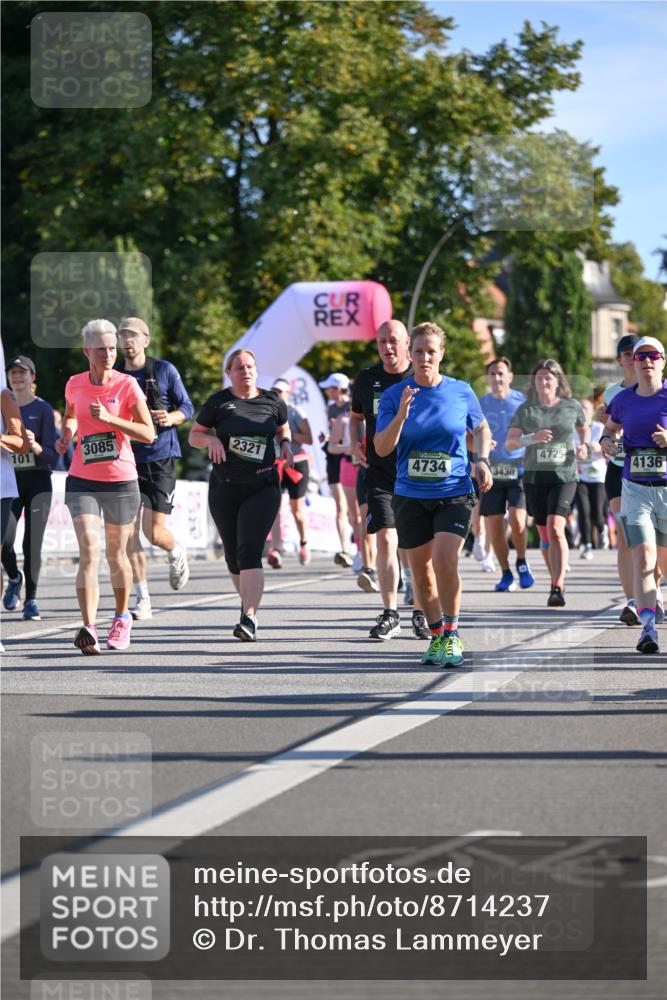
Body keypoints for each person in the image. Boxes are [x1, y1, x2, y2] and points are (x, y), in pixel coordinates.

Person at [375, 322, 492, 667]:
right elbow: (381, 448)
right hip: (410, 494)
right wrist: (400, 416)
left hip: (454, 490)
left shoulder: (460, 391)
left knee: (444, 559)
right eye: (419, 351)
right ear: (409, 353)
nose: (425, 358)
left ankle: (453, 634)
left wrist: (482, 460)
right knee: (422, 574)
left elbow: (481, 427)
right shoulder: (395, 395)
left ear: (441, 354)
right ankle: (437, 634)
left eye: (431, 351)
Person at [56, 320, 154, 654]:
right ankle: (88, 628)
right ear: (87, 351)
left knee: (116, 553)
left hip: (120, 480)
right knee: (88, 550)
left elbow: (148, 433)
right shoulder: (74, 383)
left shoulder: (127, 385)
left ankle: (122, 617)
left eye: (112, 348)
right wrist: (67, 433)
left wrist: (111, 420)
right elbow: (71, 413)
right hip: (82, 477)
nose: (109, 354)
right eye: (101, 349)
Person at [188, 348, 293, 641]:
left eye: (249, 366)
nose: (245, 371)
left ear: (256, 370)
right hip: (225, 486)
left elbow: (282, 428)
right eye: (238, 367)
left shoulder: (273, 401)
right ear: (229, 373)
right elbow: (194, 435)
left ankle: (249, 616)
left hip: (262, 485)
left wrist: (286, 444)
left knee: (249, 551)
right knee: (233, 557)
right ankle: (247, 603)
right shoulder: (219, 402)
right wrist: (210, 440)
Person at [350, 319, 431, 641]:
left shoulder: (421, 376)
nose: (387, 347)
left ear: (407, 343)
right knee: (385, 538)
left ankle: (421, 613)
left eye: (393, 340)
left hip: (416, 472)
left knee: (416, 546)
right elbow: (356, 417)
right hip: (380, 471)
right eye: (382, 341)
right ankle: (390, 613)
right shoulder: (366, 379)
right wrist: (354, 441)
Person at [117, 317, 194, 620]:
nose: (127, 341)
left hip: (160, 457)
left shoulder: (164, 370)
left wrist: (171, 418)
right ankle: (143, 599)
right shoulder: (115, 375)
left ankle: (175, 551)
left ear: (146, 340)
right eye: (122, 335)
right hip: (126, 459)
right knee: (128, 533)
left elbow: (187, 407)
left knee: (153, 532)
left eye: (133, 335)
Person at [601, 336, 667, 653]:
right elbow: (609, 429)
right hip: (634, 489)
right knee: (643, 557)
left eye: (653, 355)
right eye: (641, 356)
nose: (646, 361)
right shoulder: (623, 400)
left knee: (663, 563)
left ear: (662, 361)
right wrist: (606, 442)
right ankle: (648, 629)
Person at [506, 359, 589, 608]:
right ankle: (554, 576)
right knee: (544, 533)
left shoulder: (571, 406)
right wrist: (532, 438)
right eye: (540, 377)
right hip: (535, 478)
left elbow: (583, 430)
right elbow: (510, 443)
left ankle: (557, 585)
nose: (544, 381)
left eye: (549, 377)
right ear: (534, 382)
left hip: (564, 476)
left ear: (558, 380)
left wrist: (584, 446)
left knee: (555, 527)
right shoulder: (526, 409)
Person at [1, 355, 57, 620]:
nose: (17, 377)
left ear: (32, 377)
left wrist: (33, 445)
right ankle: (14, 578)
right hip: (10, 481)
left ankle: (31, 600)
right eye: (12, 373)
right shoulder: (3, 403)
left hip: (38, 481)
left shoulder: (43, 409)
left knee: (32, 543)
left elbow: (52, 455)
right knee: (4, 541)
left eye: (22, 373)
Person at [478, 357, 533, 592]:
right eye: (492, 374)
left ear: (510, 377)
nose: (497, 378)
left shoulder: (522, 402)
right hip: (492, 472)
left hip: (518, 468)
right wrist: (480, 447)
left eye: (501, 373)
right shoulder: (481, 404)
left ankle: (521, 560)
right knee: (494, 526)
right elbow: (471, 433)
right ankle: (506, 572)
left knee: (518, 521)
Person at [266, 377, 313, 567]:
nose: (276, 395)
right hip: (275, 463)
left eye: (280, 392)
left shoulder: (296, 412)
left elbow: (309, 438)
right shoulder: (267, 413)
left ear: (288, 393)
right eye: (274, 392)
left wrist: (285, 433)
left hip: (296, 464)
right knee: (274, 507)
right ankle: (276, 548)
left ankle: (304, 543)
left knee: (297, 510)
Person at [318, 373, 355, 567]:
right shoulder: (330, 408)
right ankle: (345, 549)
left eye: (329, 388)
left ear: (338, 389)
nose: (326, 391)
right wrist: (327, 437)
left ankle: (360, 545)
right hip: (334, 457)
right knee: (340, 506)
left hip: (350, 458)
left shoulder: (353, 405)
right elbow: (334, 436)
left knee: (354, 508)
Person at [575, 398, 607, 560]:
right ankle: (587, 545)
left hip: (598, 477)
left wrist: (599, 448)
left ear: (592, 412)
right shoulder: (573, 430)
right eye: (580, 409)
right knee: (583, 510)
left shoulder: (599, 428)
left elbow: (609, 448)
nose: (583, 412)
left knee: (597, 514)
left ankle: (602, 528)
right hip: (579, 475)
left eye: (586, 409)